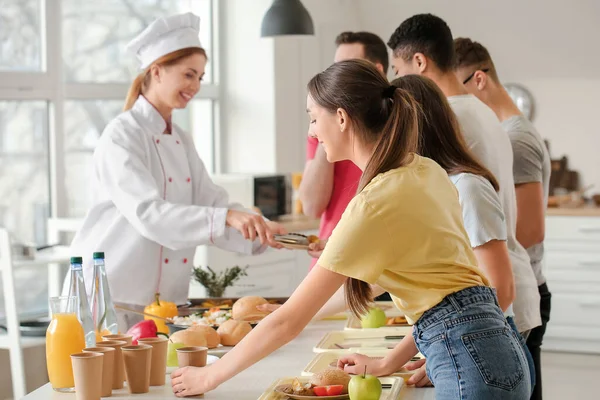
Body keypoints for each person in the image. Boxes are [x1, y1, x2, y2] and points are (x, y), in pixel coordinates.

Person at [171, 59, 531, 399]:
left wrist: (207, 376)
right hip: (497, 344)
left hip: (464, 353)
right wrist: (387, 363)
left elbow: (288, 322)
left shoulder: (373, 203)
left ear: (341, 117)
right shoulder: (425, 171)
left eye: (313, 118)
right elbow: (442, 295)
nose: (312, 131)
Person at [64, 13, 285, 331]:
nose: (195, 86)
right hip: (111, 299)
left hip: (161, 306)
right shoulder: (122, 135)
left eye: (200, 77)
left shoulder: (181, 140)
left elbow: (212, 202)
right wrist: (227, 217)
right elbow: (150, 215)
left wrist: (262, 231)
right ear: (156, 71)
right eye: (188, 75)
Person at [387, 13, 541, 338]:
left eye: (398, 70)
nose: (398, 81)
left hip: (492, 295)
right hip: (507, 286)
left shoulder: (448, 121)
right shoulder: (481, 111)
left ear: (419, 61)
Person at [391, 75, 535, 391]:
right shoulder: (435, 187)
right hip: (464, 343)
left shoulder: (467, 189)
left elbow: (501, 289)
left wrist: (451, 350)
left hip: (484, 347)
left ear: (412, 129)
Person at [454, 37, 551, 400]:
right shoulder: (506, 132)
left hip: (524, 288)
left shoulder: (517, 138)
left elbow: (529, 229)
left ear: (479, 79)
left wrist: (482, 250)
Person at [300, 31, 393, 301]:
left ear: (375, 71)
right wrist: (325, 128)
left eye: (346, 67)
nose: (335, 77)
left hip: (377, 275)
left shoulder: (399, 136)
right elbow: (310, 206)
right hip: (333, 265)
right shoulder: (324, 136)